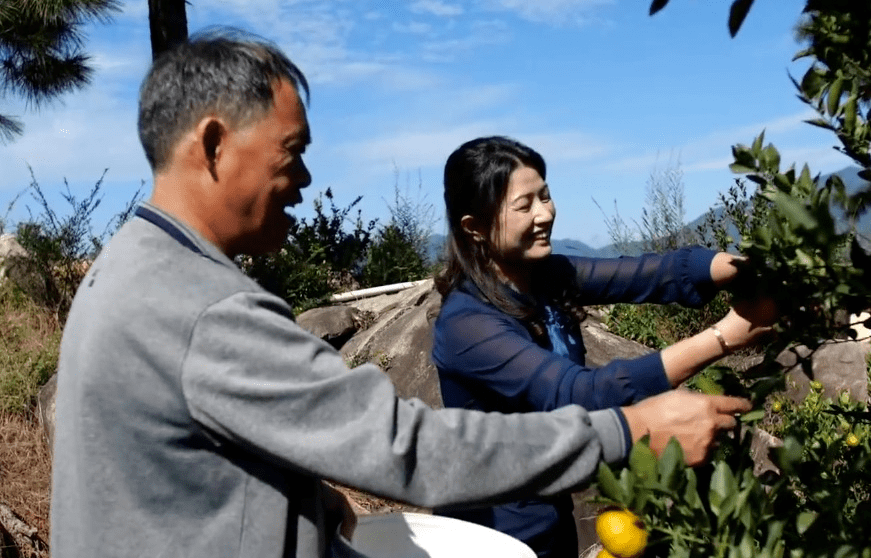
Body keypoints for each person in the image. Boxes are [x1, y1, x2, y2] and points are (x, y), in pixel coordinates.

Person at [50, 30, 754, 558]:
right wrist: (628, 430)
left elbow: (177, 454)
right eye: (292, 151)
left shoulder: (130, 269)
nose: (304, 179)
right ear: (211, 144)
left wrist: (307, 497)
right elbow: (404, 445)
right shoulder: (205, 306)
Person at [431, 136, 776, 558]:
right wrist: (725, 336)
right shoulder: (468, 325)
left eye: (546, 195)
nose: (545, 214)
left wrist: (751, 271)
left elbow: (653, 273)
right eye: (524, 205)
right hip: (494, 533)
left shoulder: (544, 276)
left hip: (550, 514)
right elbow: (583, 396)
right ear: (474, 227)